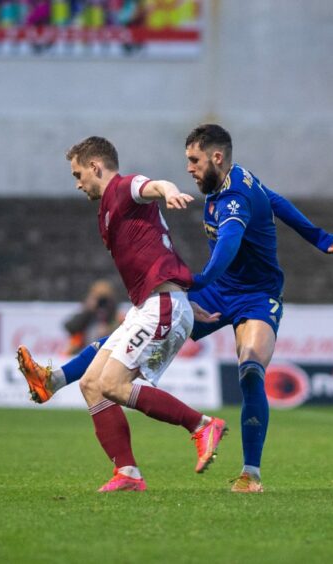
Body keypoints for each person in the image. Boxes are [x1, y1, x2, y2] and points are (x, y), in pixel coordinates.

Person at [18, 124, 333, 493]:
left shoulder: (233, 199)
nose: (189, 168)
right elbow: (276, 201)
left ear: (216, 157)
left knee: (251, 370)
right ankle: (63, 386)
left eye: (194, 160)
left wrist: (193, 283)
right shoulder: (235, 179)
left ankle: (250, 474)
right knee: (126, 336)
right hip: (218, 290)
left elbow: (227, 246)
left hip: (255, 295)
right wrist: (319, 238)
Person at [32, 135, 227, 493]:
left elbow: (150, 185)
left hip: (160, 305)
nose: (77, 183)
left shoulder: (122, 188)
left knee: (114, 385)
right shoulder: (107, 208)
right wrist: (182, 297)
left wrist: (167, 191)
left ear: (95, 166)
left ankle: (200, 425)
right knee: (92, 385)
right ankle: (128, 473)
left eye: (78, 174)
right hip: (153, 304)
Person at [62, 279, 119, 355]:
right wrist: (88, 309)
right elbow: (70, 327)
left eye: (104, 297)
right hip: (83, 349)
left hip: (106, 350)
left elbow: (116, 325)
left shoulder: (113, 312)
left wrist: (108, 326)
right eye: (99, 296)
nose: (101, 301)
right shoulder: (87, 312)